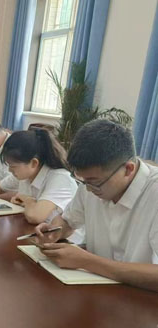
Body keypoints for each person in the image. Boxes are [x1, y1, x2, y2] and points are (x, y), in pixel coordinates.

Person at [34, 120, 158, 292]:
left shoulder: (154, 193)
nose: (88, 189)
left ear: (128, 169)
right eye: (82, 181)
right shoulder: (90, 184)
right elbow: (68, 221)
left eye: (95, 182)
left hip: (141, 299)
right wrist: (54, 231)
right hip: (95, 291)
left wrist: (88, 261)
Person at [0, 128, 77, 225]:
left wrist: (25, 198)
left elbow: (35, 217)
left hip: (64, 239)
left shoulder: (60, 178)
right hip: (36, 232)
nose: (10, 170)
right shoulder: (25, 175)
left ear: (34, 163)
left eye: (13, 166)